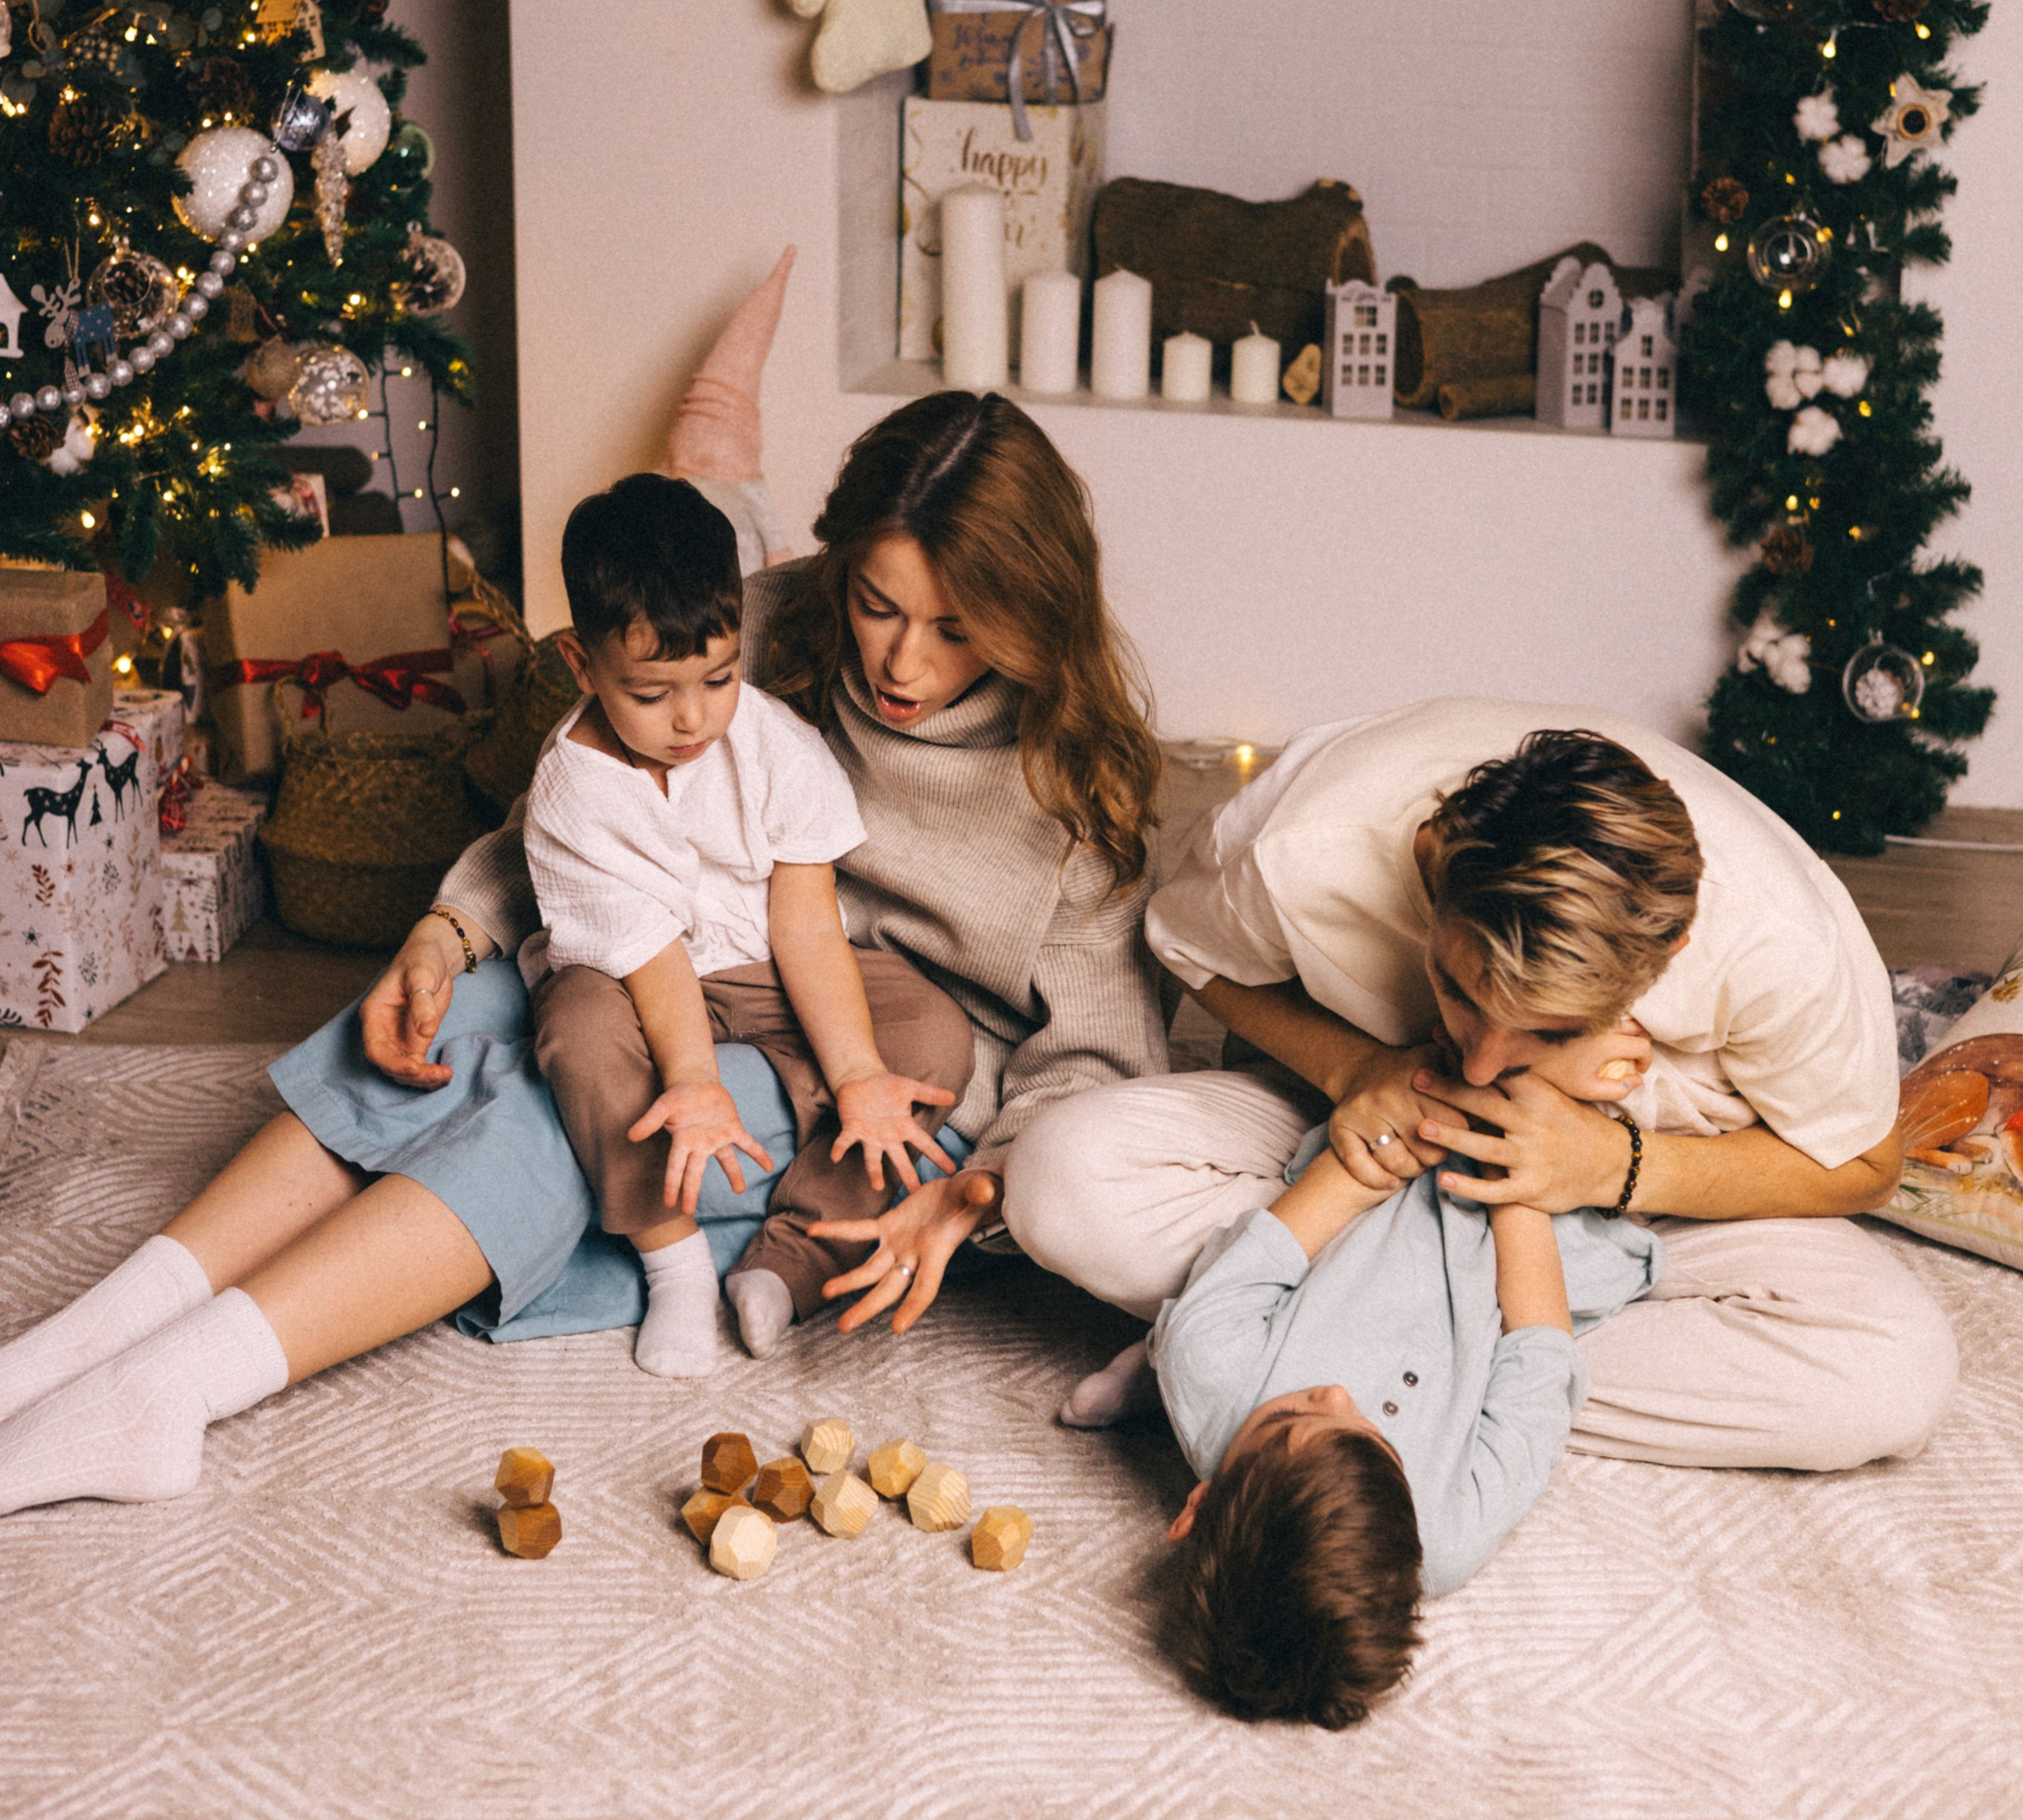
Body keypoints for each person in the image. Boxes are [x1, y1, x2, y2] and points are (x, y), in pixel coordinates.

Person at [0, 393, 1166, 1513]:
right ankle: (79, 1340)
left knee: (574, 1112)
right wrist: (446, 930)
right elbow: (583, 818)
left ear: (1029, 615)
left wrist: (972, 1198)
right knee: (460, 1029)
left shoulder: (1075, 785)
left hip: (875, 1064)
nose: (901, 663)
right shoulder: (750, 625)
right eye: (878, 604)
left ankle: (164, 1394)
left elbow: (1106, 1070)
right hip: (665, 947)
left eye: (957, 630)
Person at [1012, 706, 1957, 1474]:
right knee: (1059, 1178)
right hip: (1353, 1149)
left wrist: (1614, 1164)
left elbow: (1867, 1166)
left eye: (1548, 1032)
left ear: (1666, 957)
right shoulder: (1299, 847)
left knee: (1893, 1375)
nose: (1479, 1066)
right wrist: (1354, 1069)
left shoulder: (1781, 953)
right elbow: (1186, 949)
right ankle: (1392, 1381)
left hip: (1644, 1213)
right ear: (1430, 862)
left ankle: (1280, 1361)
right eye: (1459, 991)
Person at [523, 470, 971, 1377]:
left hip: (761, 960)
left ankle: (792, 1259)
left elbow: (805, 923)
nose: (692, 719)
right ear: (581, 664)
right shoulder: (571, 788)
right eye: (650, 694)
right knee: (574, 1033)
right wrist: (692, 1082)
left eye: (717, 679)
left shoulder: (772, 743)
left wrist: (856, 1073)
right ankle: (675, 1261)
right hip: (633, 972)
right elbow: (649, 958)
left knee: (931, 1033)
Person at [1154, 1060, 1660, 1728]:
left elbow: (1340, 1184)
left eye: (1283, 1421)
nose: (1334, 1394)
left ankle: (1139, 1366)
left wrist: (1463, 1114)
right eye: (1371, 1435)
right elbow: (1539, 1346)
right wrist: (1519, 1174)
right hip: (1538, 1240)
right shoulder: (1442, 1540)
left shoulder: (1205, 1364)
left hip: (1394, 1153)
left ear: (1197, 1505)